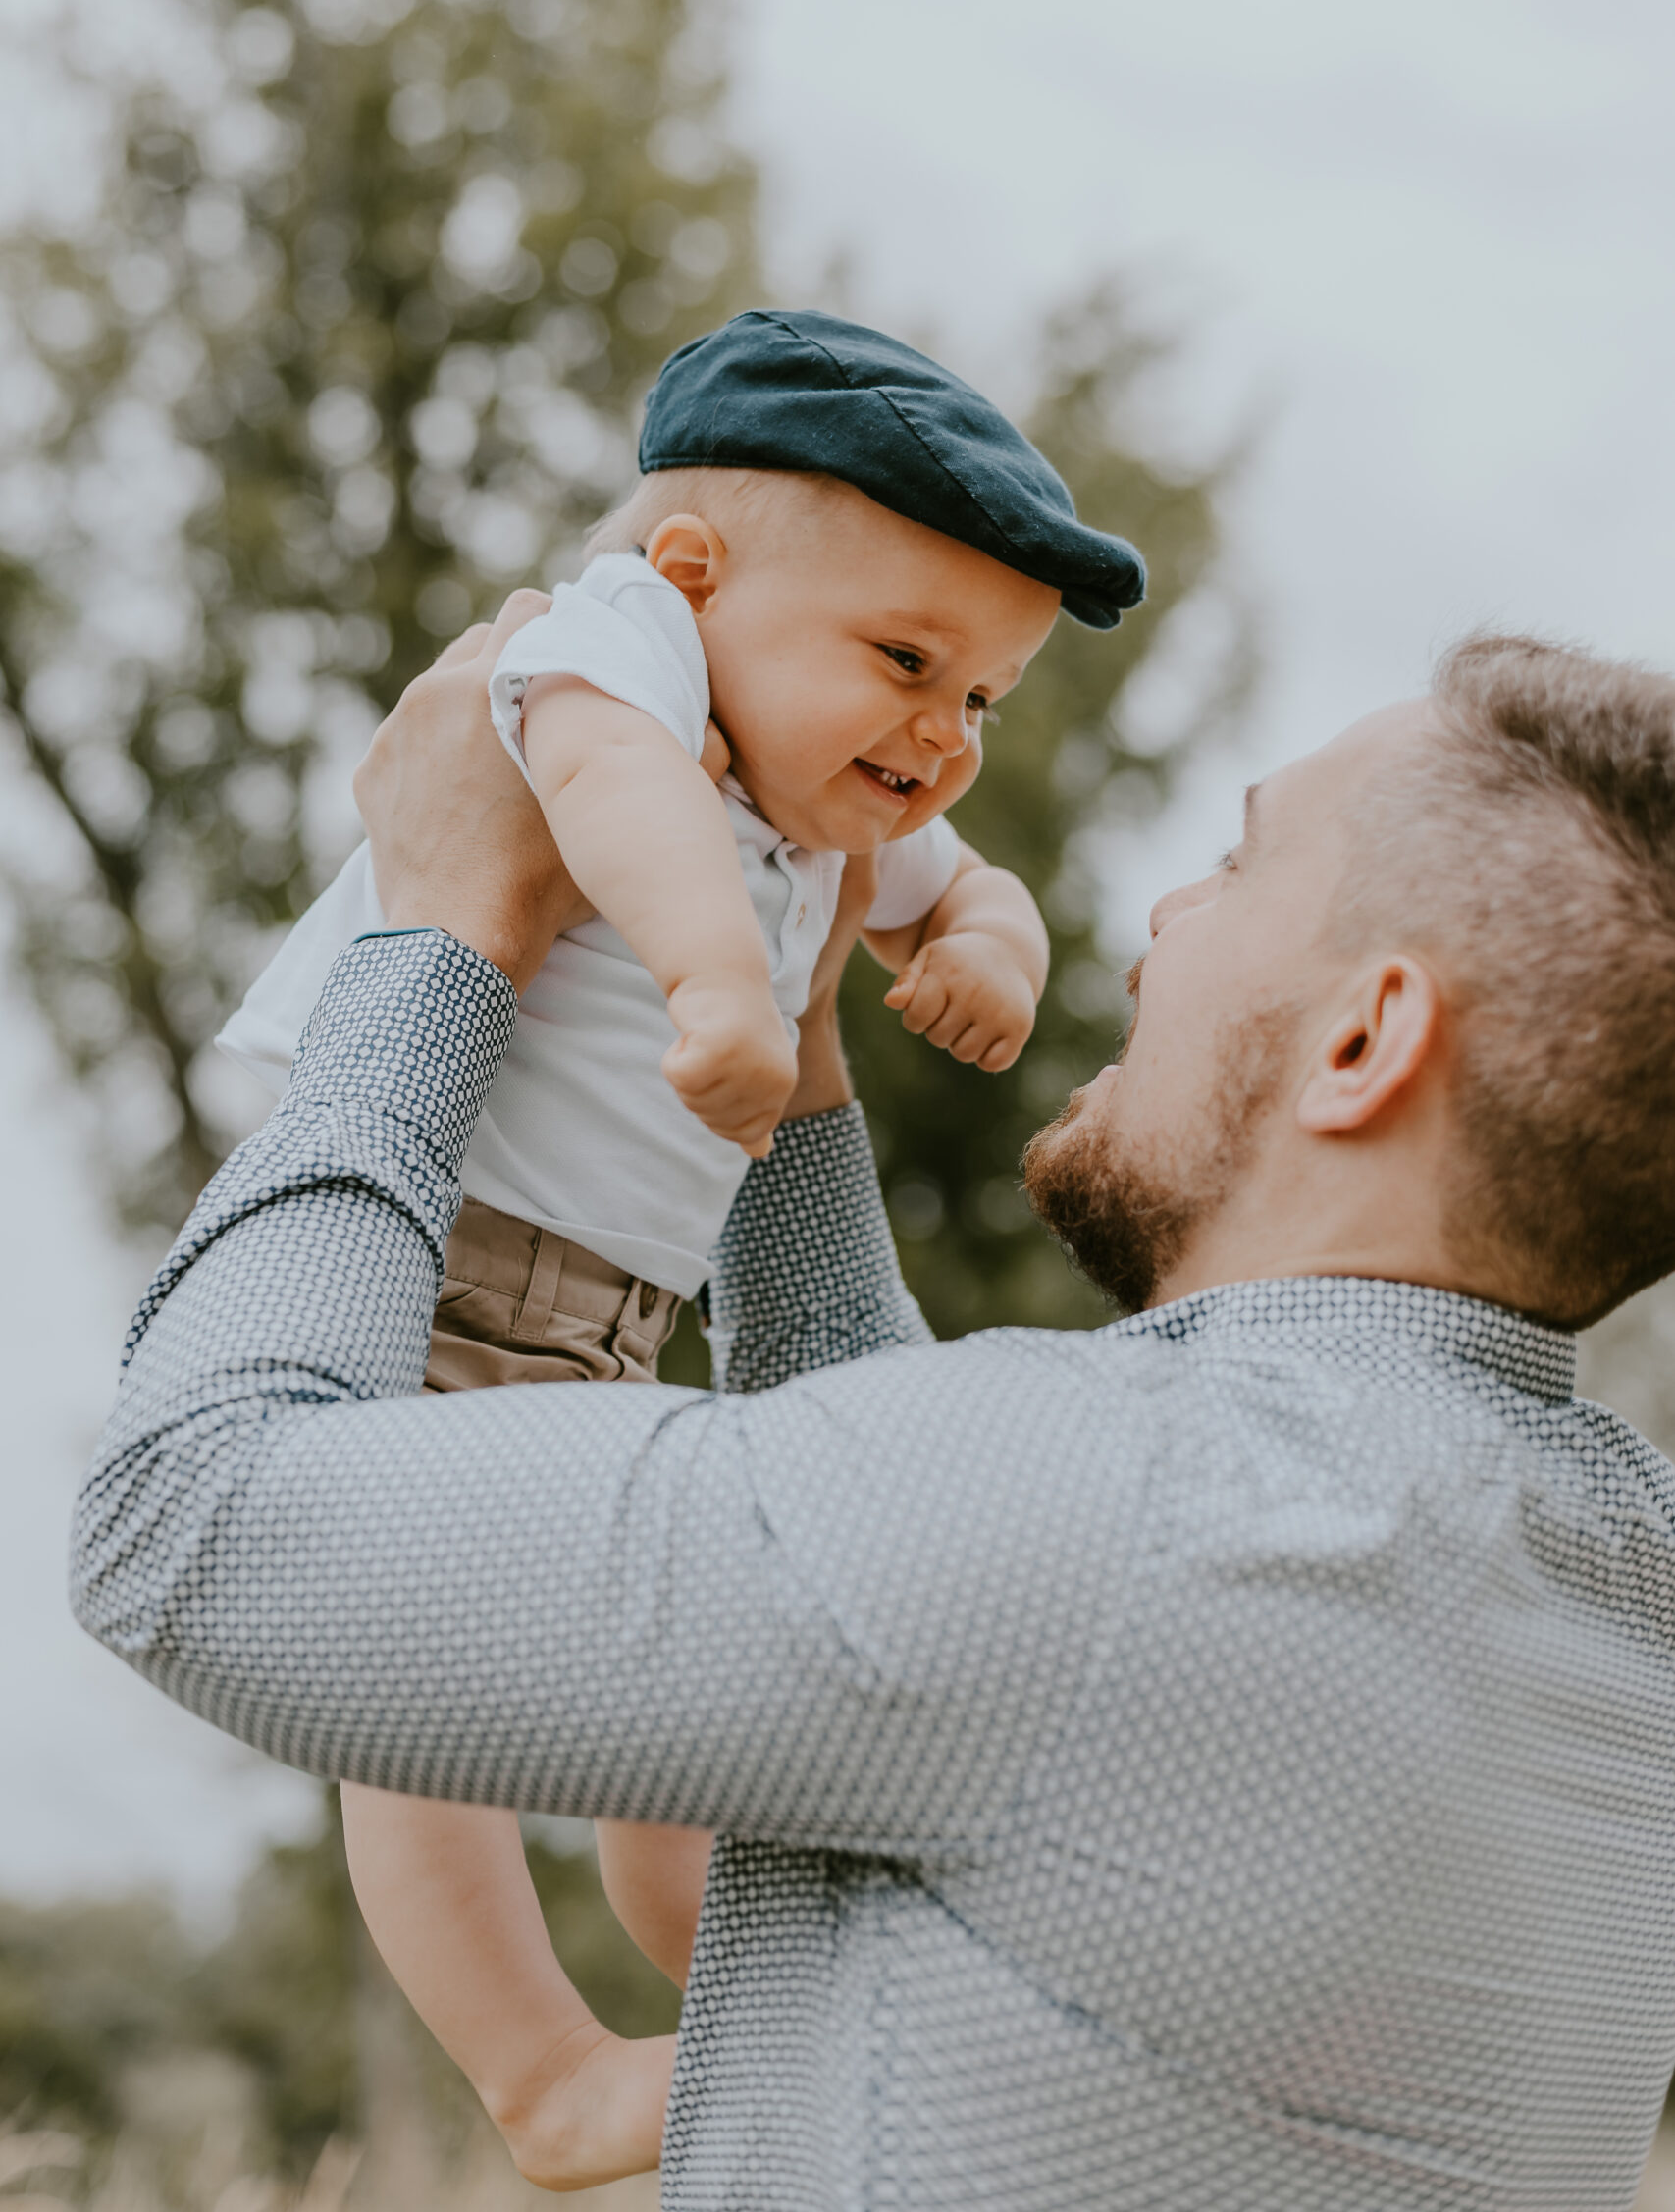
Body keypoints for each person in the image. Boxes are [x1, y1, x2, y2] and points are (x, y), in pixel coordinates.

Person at [73, 614, 1675, 2210]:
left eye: (1241, 871)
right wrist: (800, 1043)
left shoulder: (1126, 1511)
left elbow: (187, 1522)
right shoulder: (1625, 1584)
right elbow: (905, 1541)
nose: (1161, 923)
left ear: (1366, 1040)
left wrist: (438, 935)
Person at [211, 309, 1143, 2182]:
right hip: (424, 1258)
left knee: (692, 1678)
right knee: (411, 1691)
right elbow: (608, 784)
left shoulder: (833, 803)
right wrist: (722, 972)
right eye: (906, 660)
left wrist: (985, 957)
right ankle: (539, 2069)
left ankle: (757, 1997)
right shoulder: (615, 653)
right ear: (693, 575)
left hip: (610, 1324)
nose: (944, 737)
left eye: (985, 699)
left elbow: (994, 887)